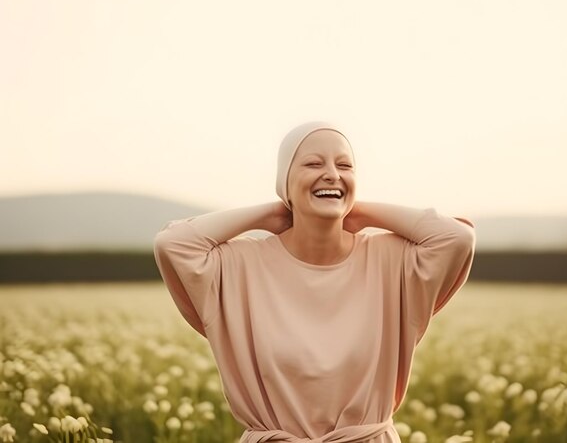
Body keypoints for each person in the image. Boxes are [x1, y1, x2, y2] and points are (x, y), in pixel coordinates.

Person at [153, 121, 476, 443]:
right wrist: (267, 215)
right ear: (285, 182)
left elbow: (456, 237)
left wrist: (362, 213)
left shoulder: (390, 261)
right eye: (313, 163)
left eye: (345, 165)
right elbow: (174, 243)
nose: (333, 174)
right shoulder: (240, 266)